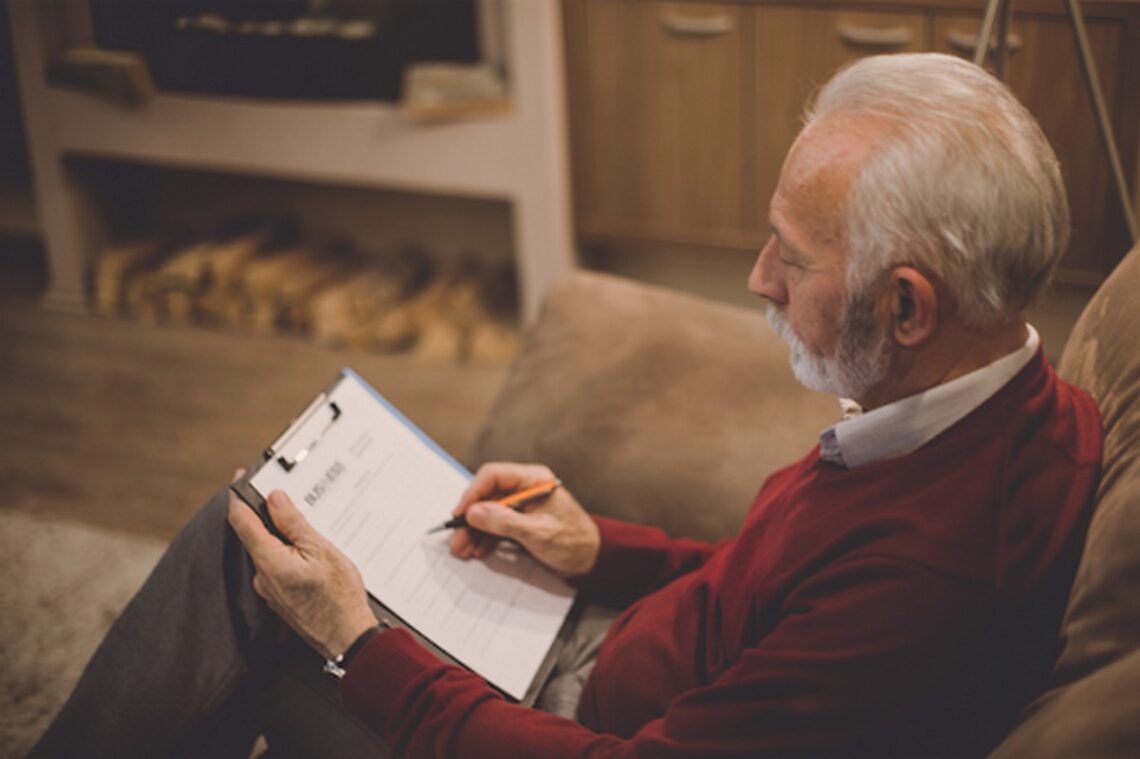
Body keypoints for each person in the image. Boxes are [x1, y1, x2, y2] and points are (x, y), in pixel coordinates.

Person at [33, 52, 1102, 758]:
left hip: (568, 717)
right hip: (607, 643)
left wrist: (362, 647)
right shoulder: (996, 404)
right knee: (327, 529)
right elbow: (771, 593)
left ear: (909, 308)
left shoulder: (936, 565)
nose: (759, 278)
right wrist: (602, 551)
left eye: (797, 254)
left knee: (249, 556)